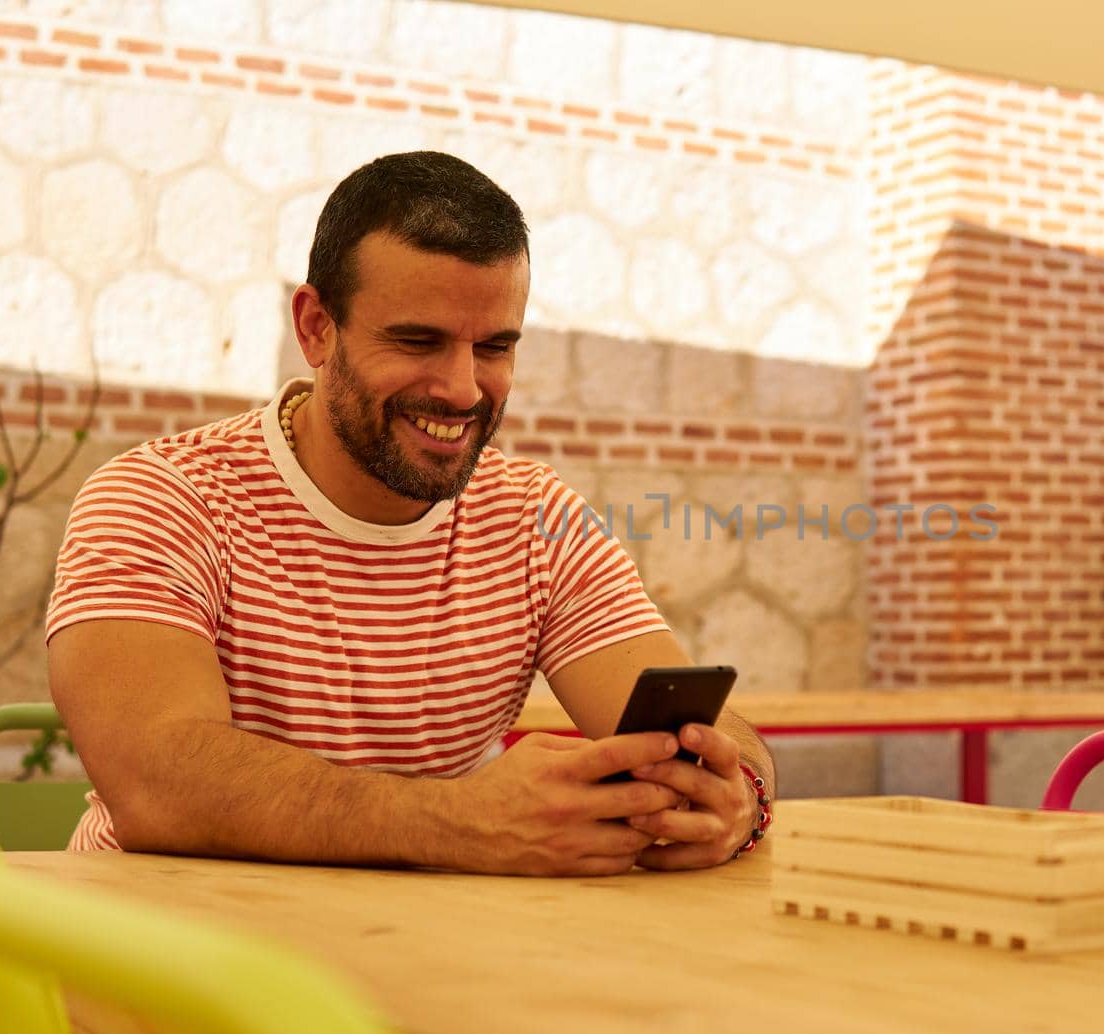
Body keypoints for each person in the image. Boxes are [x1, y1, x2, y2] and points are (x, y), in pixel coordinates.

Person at [46, 151, 774, 876]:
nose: (462, 389)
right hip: (158, 956)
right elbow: (157, 785)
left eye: (493, 347)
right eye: (417, 341)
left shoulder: (536, 518)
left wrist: (736, 794)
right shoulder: (162, 499)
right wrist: (461, 821)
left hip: (420, 950)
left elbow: (721, 739)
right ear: (315, 328)